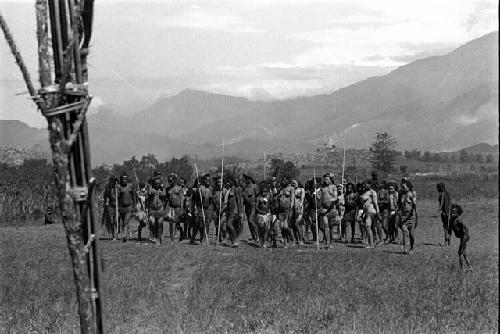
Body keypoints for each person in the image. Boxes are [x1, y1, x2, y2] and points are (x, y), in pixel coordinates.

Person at [222, 176, 244, 247]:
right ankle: (232, 241)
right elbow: (226, 202)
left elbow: (239, 201)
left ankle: (236, 240)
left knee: (229, 224)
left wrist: (240, 212)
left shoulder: (235, 189)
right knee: (228, 227)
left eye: (229, 181)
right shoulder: (228, 190)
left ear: (232, 182)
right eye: (227, 182)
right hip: (229, 211)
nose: (228, 183)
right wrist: (222, 210)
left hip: (234, 211)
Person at [191, 174, 213, 245]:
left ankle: (202, 239)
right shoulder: (200, 188)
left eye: (209, 180)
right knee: (199, 225)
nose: (208, 181)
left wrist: (210, 209)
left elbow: (211, 200)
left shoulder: (210, 188)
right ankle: (192, 239)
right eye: (207, 180)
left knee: (206, 225)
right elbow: (196, 199)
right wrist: (198, 189)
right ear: (203, 180)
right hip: (200, 208)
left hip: (207, 209)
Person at [449, 204, 472, 270]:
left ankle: (461, 269)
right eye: (451, 212)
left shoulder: (458, 219)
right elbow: (450, 229)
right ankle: (470, 267)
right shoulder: (451, 220)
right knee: (464, 254)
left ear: (458, 213)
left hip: (464, 237)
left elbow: (466, 228)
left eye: (454, 212)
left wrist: (464, 237)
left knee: (460, 253)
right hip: (462, 237)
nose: (452, 213)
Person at [318, 173, 338, 248]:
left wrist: (331, 200)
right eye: (325, 179)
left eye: (327, 179)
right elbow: (319, 197)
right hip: (324, 210)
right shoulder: (322, 187)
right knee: (326, 226)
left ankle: (331, 243)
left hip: (332, 210)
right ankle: (327, 242)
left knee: (331, 227)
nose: (325, 180)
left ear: (330, 180)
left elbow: (335, 197)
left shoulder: (333, 187)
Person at [398, 179, 417, 254]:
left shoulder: (412, 193)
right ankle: (405, 249)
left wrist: (416, 217)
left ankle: (411, 248)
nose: (403, 188)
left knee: (412, 235)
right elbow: (399, 205)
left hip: (411, 217)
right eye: (402, 186)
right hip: (403, 217)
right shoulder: (400, 194)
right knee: (405, 233)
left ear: (408, 186)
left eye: (404, 186)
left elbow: (415, 206)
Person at [165, 173, 185, 244]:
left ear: (175, 180)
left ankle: (182, 232)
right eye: (169, 181)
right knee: (171, 223)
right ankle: (172, 240)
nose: (169, 182)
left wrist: (182, 209)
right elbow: (167, 199)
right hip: (171, 208)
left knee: (177, 224)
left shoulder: (179, 188)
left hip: (178, 208)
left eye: (171, 180)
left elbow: (182, 199)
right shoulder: (167, 189)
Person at [275, 177, 295, 248]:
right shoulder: (280, 190)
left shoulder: (291, 189)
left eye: (284, 180)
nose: (283, 182)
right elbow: (277, 200)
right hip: (281, 211)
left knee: (287, 227)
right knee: (282, 227)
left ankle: (293, 240)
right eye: (282, 180)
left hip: (288, 210)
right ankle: (285, 243)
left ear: (288, 181)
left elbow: (292, 199)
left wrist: (290, 209)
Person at [117, 172, 136, 242]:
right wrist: (117, 190)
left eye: (126, 179)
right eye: (123, 179)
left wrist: (135, 205)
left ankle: (124, 236)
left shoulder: (131, 186)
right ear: (121, 180)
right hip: (121, 208)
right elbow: (118, 197)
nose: (124, 180)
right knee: (124, 223)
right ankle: (127, 236)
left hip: (129, 207)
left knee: (126, 221)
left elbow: (134, 196)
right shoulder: (119, 187)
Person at [147, 176, 166, 244]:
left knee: (159, 223)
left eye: (158, 183)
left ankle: (158, 238)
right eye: (156, 183)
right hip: (152, 210)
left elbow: (164, 195)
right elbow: (149, 193)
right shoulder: (151, 190)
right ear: (153, 184)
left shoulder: (162, 191)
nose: (157, 185)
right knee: (152, 222)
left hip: (160, 210)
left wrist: (163, 187)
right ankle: (154, 235)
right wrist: (149, 185)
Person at [360, 180, 378, 249]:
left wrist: (377, 212)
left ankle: (371, 244)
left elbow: (375, 203)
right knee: (368, 227)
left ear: (370, 185)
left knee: (368, 226)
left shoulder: (373, 192)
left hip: (371, 211)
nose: (365, 185)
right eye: (364, 184)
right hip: (366, 211)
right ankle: (371, 243)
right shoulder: (365, 192)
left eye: (367, 184)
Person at [243, 174, 259, 244]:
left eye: (246, 179)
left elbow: (258, 196)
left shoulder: (255, 186)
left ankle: (258, 237)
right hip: (247, 207)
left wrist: (257, 207)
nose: (245, 181)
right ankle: (253, 237)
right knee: (249, 223)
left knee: (251, 221)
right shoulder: (245, 187)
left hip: (253, 207)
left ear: (249, 179)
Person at [256, 183, 272, 248]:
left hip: (266, 215)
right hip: (260, 215)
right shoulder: (258, 198)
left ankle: (264, 242)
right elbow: (256, 207)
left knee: (266, 229)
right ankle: (260, 241)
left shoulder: (268, 197)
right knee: (260, 229)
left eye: (265, 191)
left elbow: (270, 204)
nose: (264, 193)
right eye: (263, 191)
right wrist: (261, 211)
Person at [291, 179, 305, 245]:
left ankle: (301, 240)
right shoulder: (292, 190)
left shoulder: (301, 189)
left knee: (297, 224)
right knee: (293, 225)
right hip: (292, 209)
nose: (293, 184)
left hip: (299, 208)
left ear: (298, 183)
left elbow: (302, 198)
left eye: (294, 183)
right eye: (292, 183)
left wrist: (301, 204)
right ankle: (296, 239)